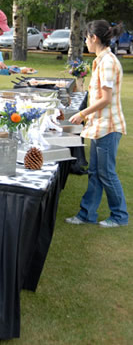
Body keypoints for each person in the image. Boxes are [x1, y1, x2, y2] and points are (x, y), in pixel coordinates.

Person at [66, 19, 129, 228]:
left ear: (94, 38)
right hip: (99, 126)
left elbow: (106, 99)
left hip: (108, 128)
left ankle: (119, 216)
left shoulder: (108, 62)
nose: (85, 42)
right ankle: (86, 214)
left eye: (86, 38)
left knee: (106, 173)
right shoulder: (101, 60)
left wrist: (82, 113)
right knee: (95, 172)